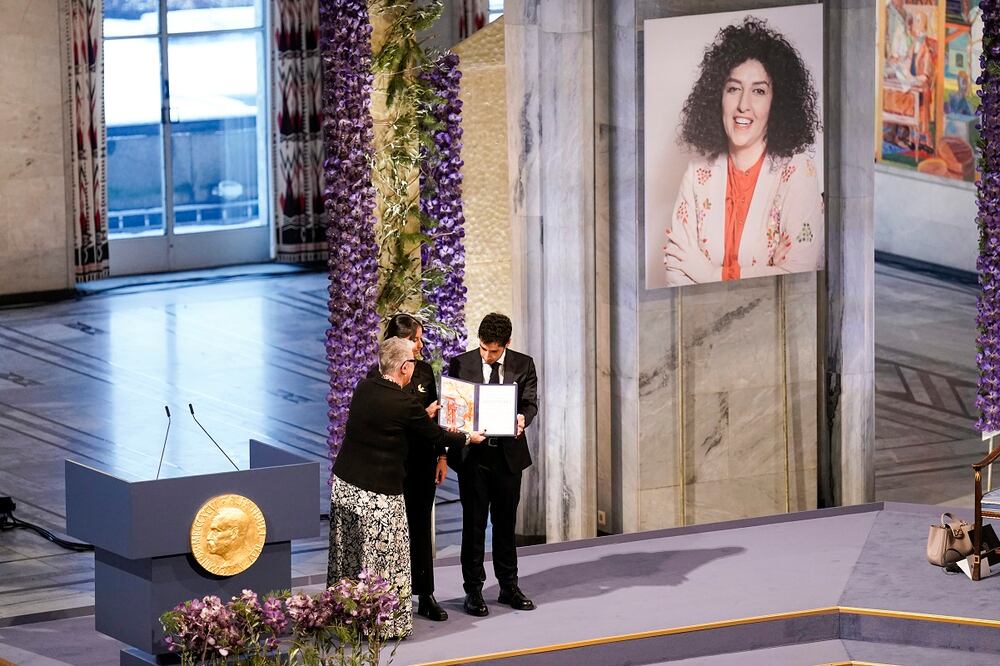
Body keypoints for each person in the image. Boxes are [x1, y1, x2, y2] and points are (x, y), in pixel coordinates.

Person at [329, 337, 485, 638]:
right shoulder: (404, 403)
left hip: (346, 485)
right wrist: (469, 437)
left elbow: (389, 424)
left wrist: (421, 418)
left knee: (351, 553)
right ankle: (382, 624)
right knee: (387, 556)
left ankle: (347, 615)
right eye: (412, 361)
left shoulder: (364, 388)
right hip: (378, 493)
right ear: (404, 367)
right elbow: (435, 435)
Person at [663, 16, 823, 286]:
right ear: (718, 96)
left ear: (777, 102)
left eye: (758, 91)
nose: (743, 105)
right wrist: (769, 269)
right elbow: (675, 274)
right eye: (734, 88)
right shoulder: (696, 175)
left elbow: (800, 275)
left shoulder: (798, 171)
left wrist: (711, 274)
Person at [447, 313, 538, 616]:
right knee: (473, 526)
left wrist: (523, 418)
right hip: (474, 458)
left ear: (507, 343)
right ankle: (473, 590)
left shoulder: (524, 364)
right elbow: (453, 408)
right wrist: (457, 428)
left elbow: (529, 403)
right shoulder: (461, 364)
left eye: (494, 351)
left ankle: (508, 586)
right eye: (484, 349)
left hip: (508, 457)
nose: (487, 356)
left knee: (505, 525)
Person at [365, 313, 450, 622]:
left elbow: (438, 418)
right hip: (391, 465)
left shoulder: (424, 371)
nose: (421, 345)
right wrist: (421, 417)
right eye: (416, 339)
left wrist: (442, 457)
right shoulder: (376, 377)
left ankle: (425, 594)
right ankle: (388, 597)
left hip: (422, 462)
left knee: (420, 527)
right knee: (388, 531)